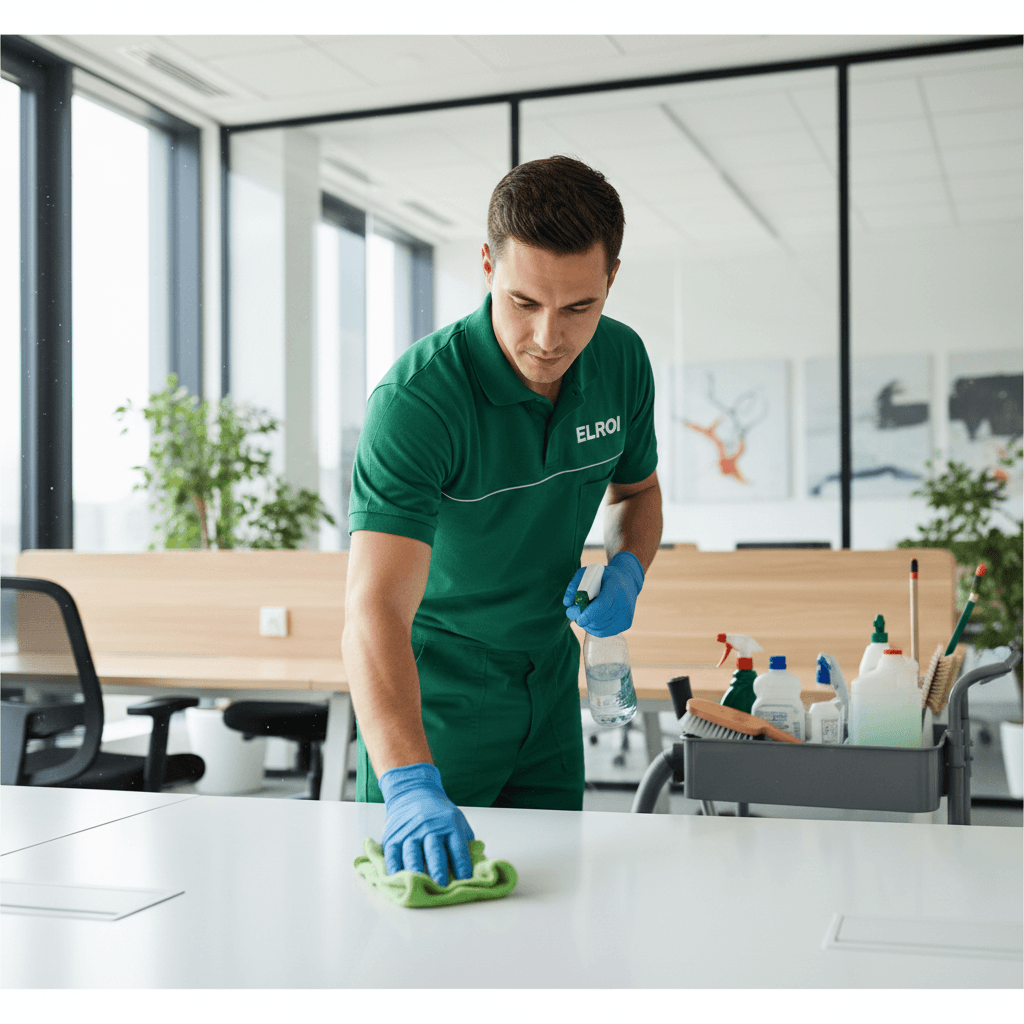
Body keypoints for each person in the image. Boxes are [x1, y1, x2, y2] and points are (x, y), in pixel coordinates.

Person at [342, 155, 663, 887]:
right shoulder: (420, 400)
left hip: (547, 688)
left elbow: (637, 494)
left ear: (611, 278)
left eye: (578, 308)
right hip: (435, 696)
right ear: (487, 264)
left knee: (552, 912)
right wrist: (409, 781)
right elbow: (373, 609)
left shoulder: (622, 362)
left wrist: (630, 569)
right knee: (422, 926)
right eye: (523, 302)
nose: (549, 337)